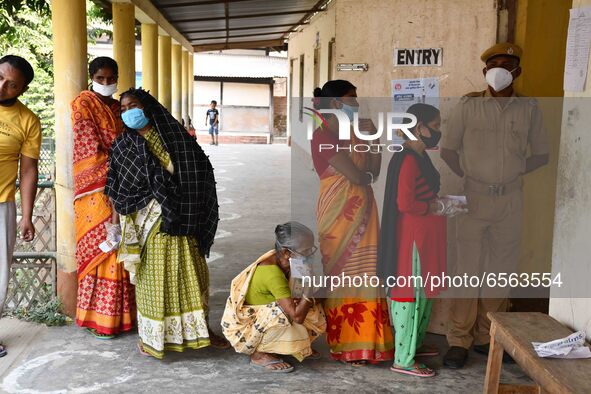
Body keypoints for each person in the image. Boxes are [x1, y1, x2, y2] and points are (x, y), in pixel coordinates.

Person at [440, 43, 549, 369]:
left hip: (511, 199)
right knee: (467, 270)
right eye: (494, 64)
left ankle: (489, 338)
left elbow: (541, 154)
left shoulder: (529, 108)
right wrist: (475, 180)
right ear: (485, 71)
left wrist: (510, 176)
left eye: (507, 64)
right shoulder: (468, 106)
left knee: (501, 271)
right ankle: (459, 340)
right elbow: (448, 151)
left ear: (518, 71)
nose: (500, 69)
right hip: (473, 197)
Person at [105, 87, 229, 358]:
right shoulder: (123, 146)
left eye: (133, 106)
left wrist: (176, 195)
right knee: (155, 279)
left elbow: (198, 171)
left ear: (147, 106)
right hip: (144, 224)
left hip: (181, 218)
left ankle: (201, 330)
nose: (128, 112)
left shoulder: (174, 137)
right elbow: (116, 189)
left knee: (191, 275)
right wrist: (114, 225)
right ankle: (153, 338)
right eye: (123, 109)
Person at [310, 80, 394, 365]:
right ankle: (344, 343)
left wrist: (373, 140)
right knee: (341, 276)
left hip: (365, 212)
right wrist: (366, 174)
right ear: (335, 104)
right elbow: (357, 176)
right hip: (337, 216)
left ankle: (369, 343)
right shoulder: (322, 136)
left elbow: (374, 170)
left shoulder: (357, 133)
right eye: (352, 99)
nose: (357, 104)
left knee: (367, 273)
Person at [379, 103, 464, 377]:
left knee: (423, 292)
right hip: (413, 237)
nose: (438, 131)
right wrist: (434, 207)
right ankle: (403, 359)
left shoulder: (419, 155)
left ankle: (412, 343)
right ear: (419, 128)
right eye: (436, 126)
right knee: (410, 295)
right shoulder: (406, 159)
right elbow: (406, 202)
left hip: (426, 235)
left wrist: (439, 204)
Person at [71, 57, 135, 339]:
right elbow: (88, 149)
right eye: (101, 78)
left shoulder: (118, 106)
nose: (107, 83)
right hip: (96, 190)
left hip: (124, 185)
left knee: (120, 248)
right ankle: (97, 319)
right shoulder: (83, 104)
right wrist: (121, 168)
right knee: (102, 248)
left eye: (111, 79)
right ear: (91, 77)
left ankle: (122, 317)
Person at [221, 222, 326, 373]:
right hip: (247, 330)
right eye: (306, 251)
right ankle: (259, 354)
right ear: (286, 253)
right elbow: (297, 316)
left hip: (267, 318)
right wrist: (308, 288)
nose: (311, 254)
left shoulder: (289, 262)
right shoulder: (272, 273)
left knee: (312, 302)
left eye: (311, 248)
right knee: (284, 311)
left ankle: (289, 345)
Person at [0, 55, 41, 357]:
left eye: (12, 85)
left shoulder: (28, 121)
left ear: (21, 90)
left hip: (2, 204)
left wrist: (27, 216)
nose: (2, 87)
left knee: (0, 272)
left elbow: (27, 171)